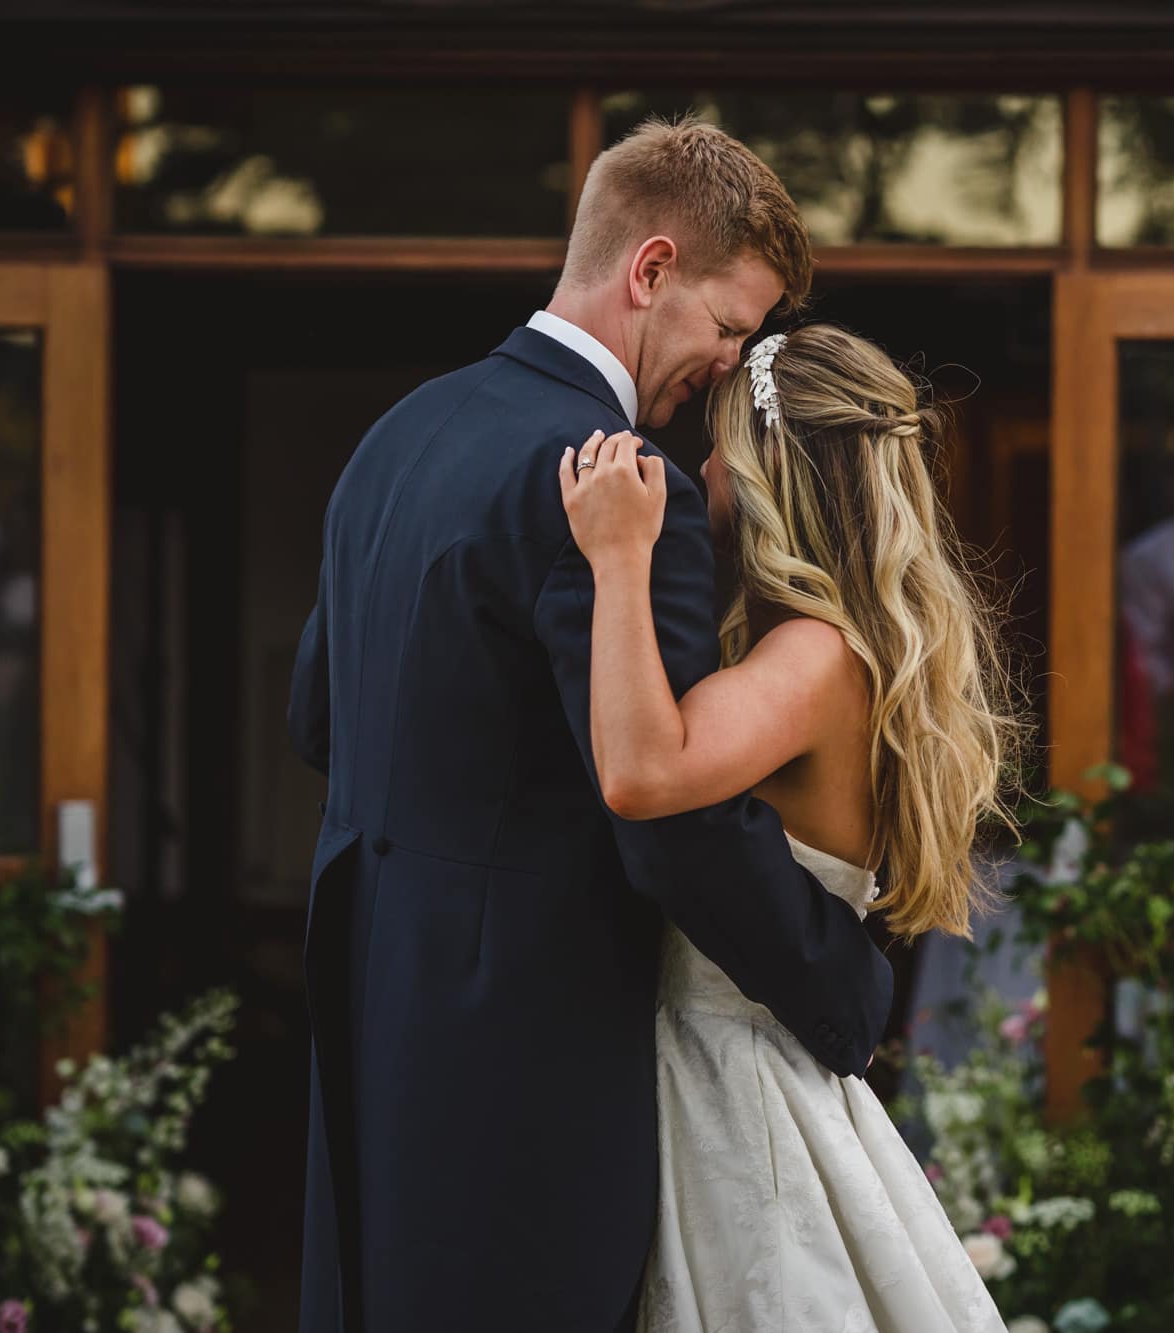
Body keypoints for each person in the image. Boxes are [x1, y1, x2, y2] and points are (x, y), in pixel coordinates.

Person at [286, 118, 894, 1333]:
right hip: (528, 1045)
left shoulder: (398, 437)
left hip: (367, 1010)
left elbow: (319, 717)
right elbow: (676, 826)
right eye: (730, 326)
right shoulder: (621, 480)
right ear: (651, 269)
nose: (729, 366)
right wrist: (841, 985)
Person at [558, 321, 1023, 1332]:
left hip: (737, 1089)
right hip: (740, 1061)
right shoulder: (824, 645)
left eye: (724, 442)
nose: (705, 465)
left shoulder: (814, 655)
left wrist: (617, 559)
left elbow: (643, 771)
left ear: (774, 470)